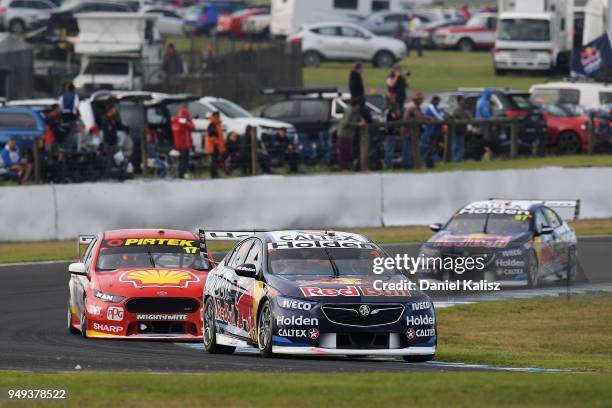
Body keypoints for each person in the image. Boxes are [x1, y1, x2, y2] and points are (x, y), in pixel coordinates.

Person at [337, 99, 364, 171]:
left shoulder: (354, 111)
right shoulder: (350, 111)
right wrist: (357, 124)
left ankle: (346, 167)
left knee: (348, 152)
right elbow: (346, 122)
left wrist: (361, 119)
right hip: (344, 134)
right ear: (356, 105)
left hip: (348, 135)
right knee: (345, 152)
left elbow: (358, 116)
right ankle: (344, 168)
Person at [400, 92, 426, 168]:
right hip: (409, 131)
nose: (421, 101)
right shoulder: (412, 107)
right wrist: (425, 119)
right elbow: (419, 116)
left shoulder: (414, 106)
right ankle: (408, 164)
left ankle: (409, 163)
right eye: (420, 99)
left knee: (408, 147)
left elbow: (421, 116)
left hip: (409, 131)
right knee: (408, 148)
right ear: (417, 100)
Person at [171, 106, 195, 179]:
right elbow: (192, 127)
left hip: (177, 144)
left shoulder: (175, 121)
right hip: (185, 144)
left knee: (180, 160)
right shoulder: (184, 122)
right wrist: (189, 120)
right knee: (184, 161)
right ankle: (182, 174)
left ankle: (179, 174)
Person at [101, 104, 123, 178]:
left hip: (114, 142)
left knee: (118, 158)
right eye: (114, 109)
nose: (115, 111)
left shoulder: (113, 119)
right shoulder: (106, 119)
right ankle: (106, 176)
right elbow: (107, 132)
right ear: (110, 110)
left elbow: (119, 125)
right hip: (109, 143)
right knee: (108, 160)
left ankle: (117, 174)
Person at [422, 96, 445, 168]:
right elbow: (440, 117)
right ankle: (427, 162)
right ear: (434, 101)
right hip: (431, 131)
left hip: (436, 131)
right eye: (437, 101)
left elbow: (441, 115)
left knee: (434, 147)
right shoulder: (431, 107)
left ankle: (431, 162)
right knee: (431, 148)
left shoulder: (436, 108)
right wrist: (443, 119)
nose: (438, 103)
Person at [450, 95, 472, 162]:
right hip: (457, 130)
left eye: (464, 100)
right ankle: (455, 160)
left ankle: (459, 160)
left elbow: (470, 118)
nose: (464, 101)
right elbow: (462, 118)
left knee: (461, 146)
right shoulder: (457, 110)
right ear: (459, 101)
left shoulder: (465, 109)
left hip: (462, 130)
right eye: (463, 100)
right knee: (456, 145)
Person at [383, 92, 402, 169]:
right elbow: (395, 117)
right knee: (390, 149)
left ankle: (388, 164)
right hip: (391, 131)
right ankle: (388, 165)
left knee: (389, 148)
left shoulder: (386, 108)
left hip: (387, 131)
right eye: (393, 98)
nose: (394, 100)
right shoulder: (391, 108)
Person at [207, 111, 226, 178]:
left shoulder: (217, 124)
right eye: (217, 116)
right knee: (214, 161)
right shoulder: (212, 125)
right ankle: (213, 174)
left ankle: (215, 174)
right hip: (214, 146)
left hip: (216, 146)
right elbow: (211, 137)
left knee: (215, 160)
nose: (218, 117)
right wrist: (217, 143)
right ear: (214, 116)